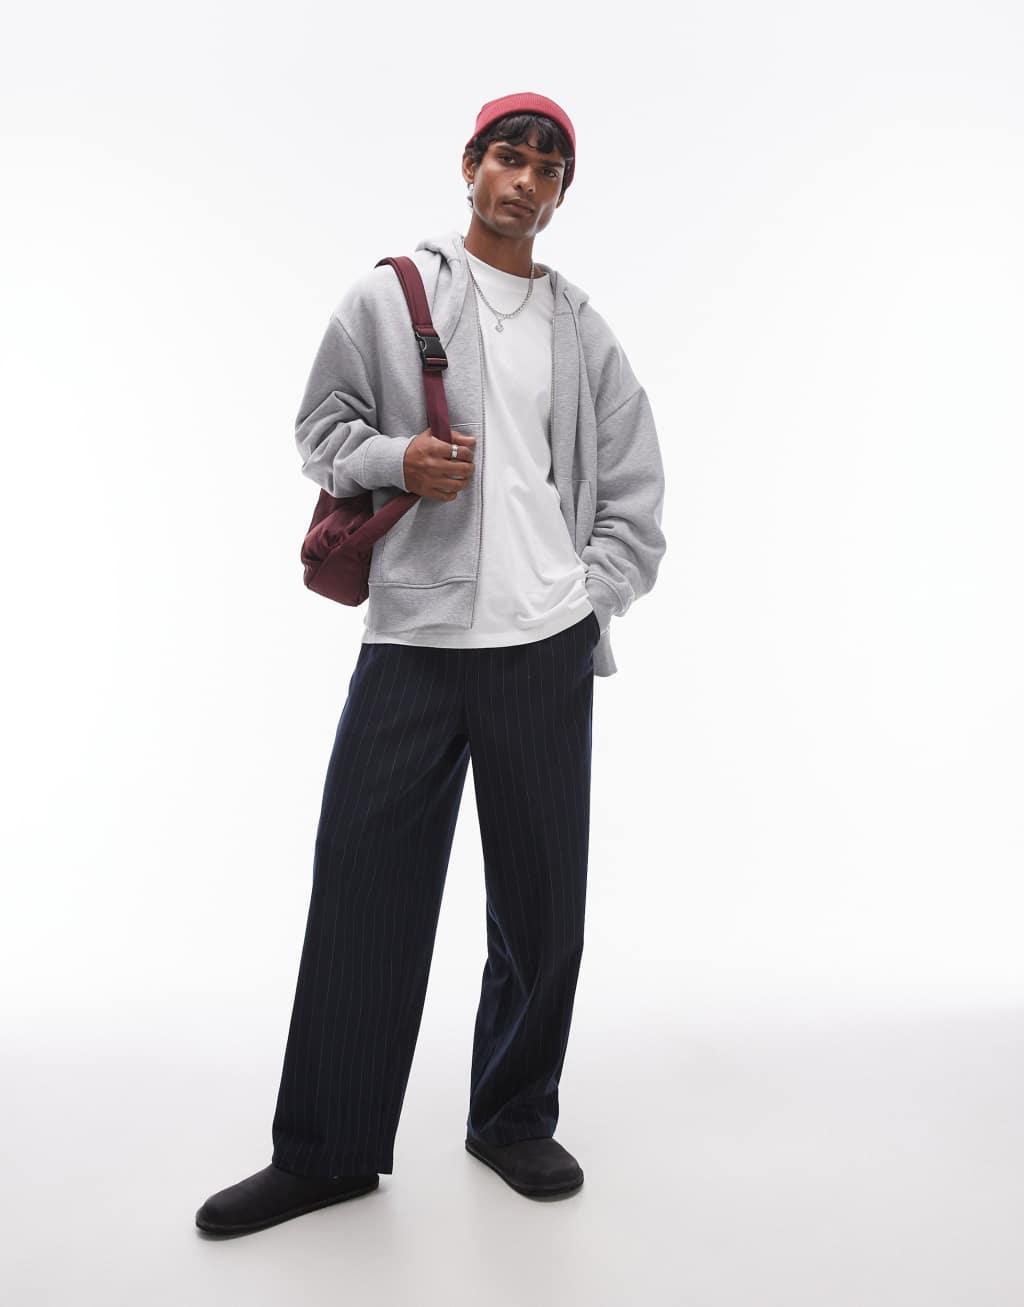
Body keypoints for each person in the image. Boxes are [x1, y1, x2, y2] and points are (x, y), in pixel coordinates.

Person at [196, 91, 667, 1237]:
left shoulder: (581, 330)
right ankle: (327, 1151)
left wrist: (586, 597)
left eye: (548, 169)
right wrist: (395, 456)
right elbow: (320, 429)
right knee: (364, 891)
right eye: (510, 157)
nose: (526, 181)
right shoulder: (391, 294)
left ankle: (511, 1117)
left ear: (560, 194)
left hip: (542, 647)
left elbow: (635, 488)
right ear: (470, 165)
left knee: (542, 910)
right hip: (413, 642)